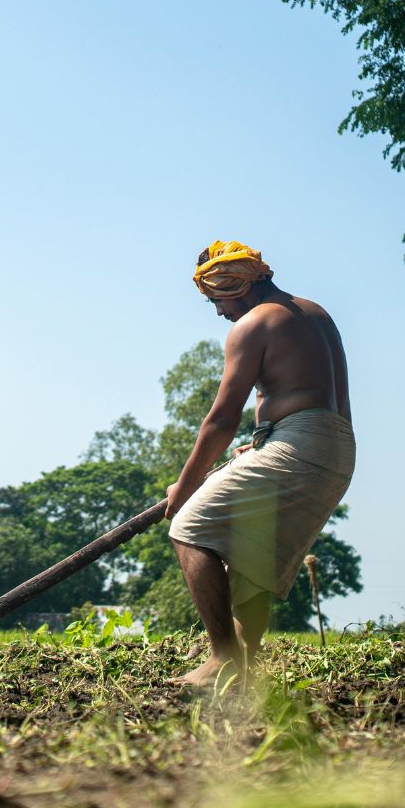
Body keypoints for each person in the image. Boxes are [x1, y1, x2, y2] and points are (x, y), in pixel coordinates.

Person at [165, 242, 355, 686]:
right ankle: (243, 670)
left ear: (239, 284)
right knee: (253, 556)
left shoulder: (253, 324)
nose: (218, 312)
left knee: (191, 527)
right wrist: (271, 442)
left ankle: (222, 660)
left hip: (301, 446)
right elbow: (330, 402)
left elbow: (221, 420)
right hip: (335, 447)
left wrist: (184, 486)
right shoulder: (316, 315)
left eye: (217, 300)